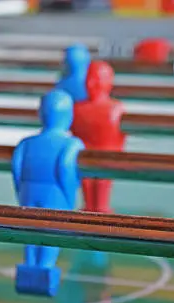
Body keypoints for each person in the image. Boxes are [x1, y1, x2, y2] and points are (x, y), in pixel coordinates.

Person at [12, 90, 84, 296]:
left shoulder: (26, 143)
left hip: (28, 190)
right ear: (69, 116)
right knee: (51, 233)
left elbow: (16, 168)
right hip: (55, 194)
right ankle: (44, 271)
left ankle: (28, 268)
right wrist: (69, 198)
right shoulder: (72, 144)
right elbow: (65, 168)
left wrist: (21, 192)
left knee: (29, 233)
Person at [71, 61, 125, 214]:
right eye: (88, 79)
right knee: (88, 198)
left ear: (109, 82)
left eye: (96, 79)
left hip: (106, 159)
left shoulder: (115, 108)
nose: (91, 83)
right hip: (85, 159)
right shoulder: (77, 109)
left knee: (101, 198)